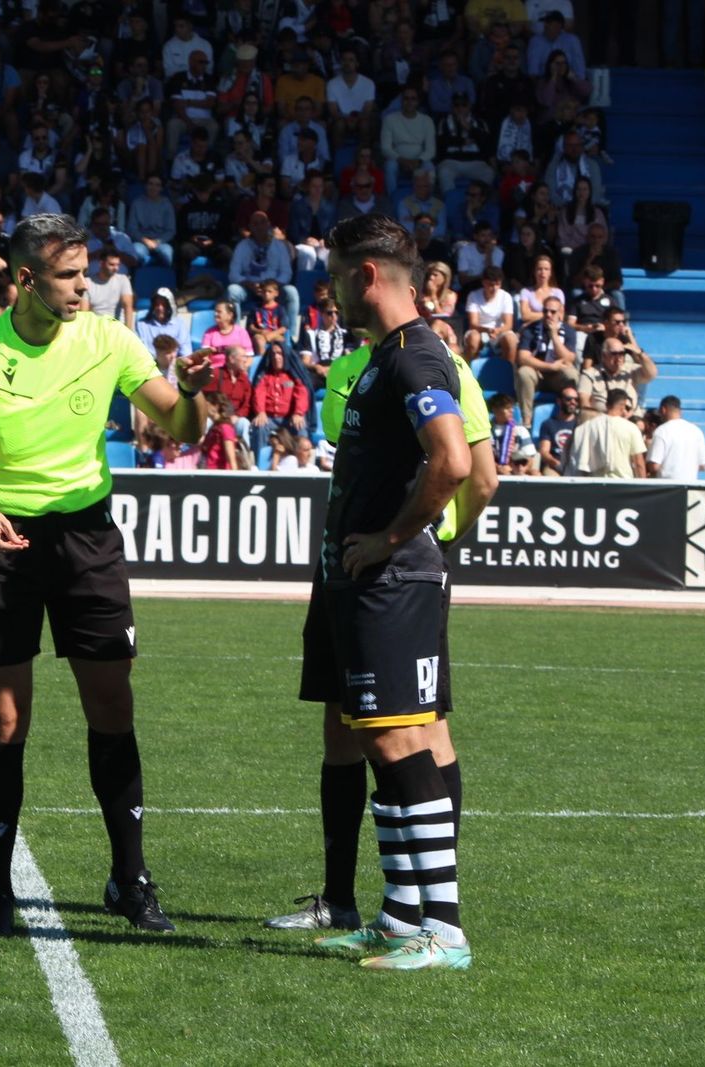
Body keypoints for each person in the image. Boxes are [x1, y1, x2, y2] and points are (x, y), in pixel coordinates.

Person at [0, 214, 213, 937]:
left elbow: (184, 429)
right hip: (3, 538)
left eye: (87, 273)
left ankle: (131, 877)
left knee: (112, 705)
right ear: (25, 280)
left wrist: (197, 392)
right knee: (7, 719)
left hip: (88, 537)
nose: (86, 288)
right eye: (69, 276)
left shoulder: (110, 338)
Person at [297, 214, 476, 970]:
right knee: (399, 735)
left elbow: (455, 462)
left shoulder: (415, 358)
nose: (329, 289)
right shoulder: (385, 355)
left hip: (393, 582)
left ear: (367, 275)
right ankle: (405, 915)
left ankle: (445, 928)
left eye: (336, 274)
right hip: (379, 582)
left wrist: (392, 538)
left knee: (401, 741)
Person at [514, 296, 579, 428]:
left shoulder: (569, 331)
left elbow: (569, 358)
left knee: (572, 374)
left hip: (557, 377)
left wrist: (554, 335)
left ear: (561, 312)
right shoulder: (531, 329)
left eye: (553, 312)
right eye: (545, 311)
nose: (548, 315)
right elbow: (522, 357)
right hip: (537, 375)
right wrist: (550, 366)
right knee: (524, 372)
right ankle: (527, 420)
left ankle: (568, 418)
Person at [563, 389, 645, 477]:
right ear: (623, 406)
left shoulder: (587, 427)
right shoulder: (631, 428)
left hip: (595, 485)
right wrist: (644, 487)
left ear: (606, 404)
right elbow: (638, 463)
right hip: (623, 484)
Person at [646, 396, 705, 481]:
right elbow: (703, 466)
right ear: (680, 411)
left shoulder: (662, 431)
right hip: (690, 487)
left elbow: (654, 466)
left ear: (663, 410)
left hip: (667, 488)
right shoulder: (696, 431)